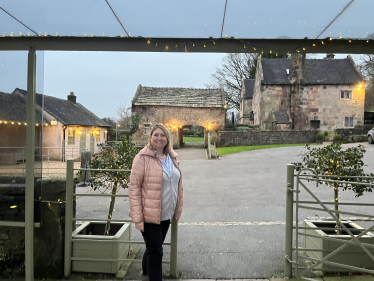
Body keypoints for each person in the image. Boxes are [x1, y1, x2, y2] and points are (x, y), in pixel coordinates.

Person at [129, 123, 183, 281]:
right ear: (150, 137)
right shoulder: (142, 158)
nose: (159, 138)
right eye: (156, 135)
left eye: (163, 135)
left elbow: (176, 183)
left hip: (166, 213)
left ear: (168, 138)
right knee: (156, 253)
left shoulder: (172, 157)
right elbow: (134, 189)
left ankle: (146, 275)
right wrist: (137, 217)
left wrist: (177, 206)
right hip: (149, 214)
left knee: (153, 248)